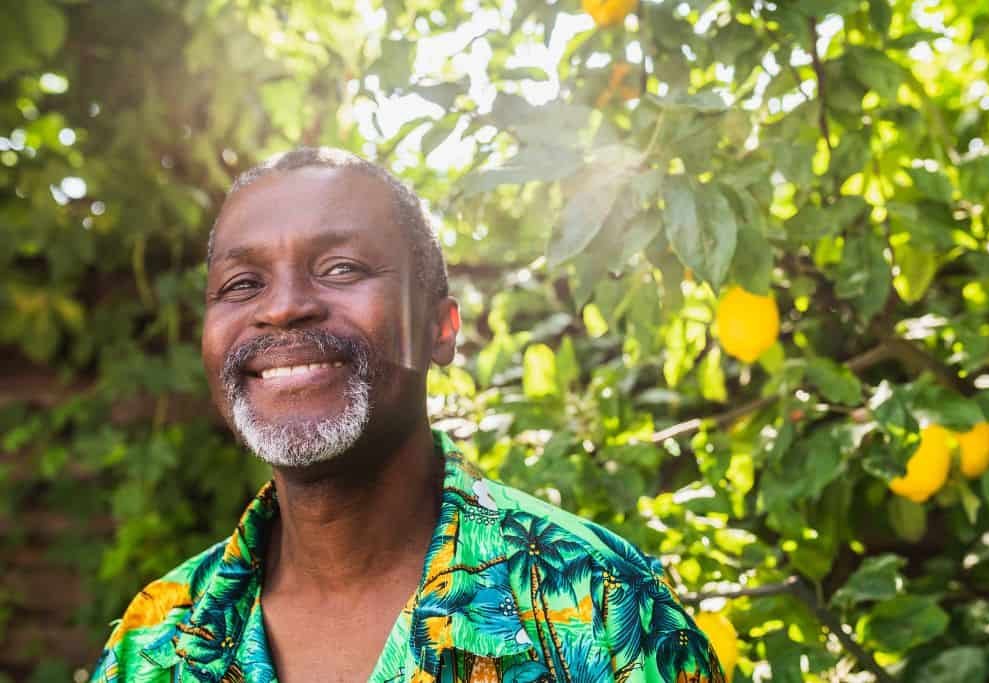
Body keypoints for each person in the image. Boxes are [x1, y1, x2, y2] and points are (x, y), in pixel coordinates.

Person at [90, 147, 725, 683]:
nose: (282, 308)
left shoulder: (603, 607)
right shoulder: (155, 644)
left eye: (341, 268)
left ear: (440, 329)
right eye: (242, 284)